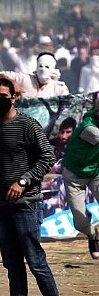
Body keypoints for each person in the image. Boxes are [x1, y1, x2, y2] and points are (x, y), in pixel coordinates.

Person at [0, 78, 59, 296]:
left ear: (14, 98)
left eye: (3, 96)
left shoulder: (27, 125)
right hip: (2, 204)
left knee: (36, 261)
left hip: (26, 203)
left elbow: (47, 156)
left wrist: (23, 181)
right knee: (12, 264)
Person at [62, 100, 99, 259]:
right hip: (74, 174)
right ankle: (92, 235)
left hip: (96, 172)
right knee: (81, 223)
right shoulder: (88, 128)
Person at [0, 52, 69, 98]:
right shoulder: (24, 79)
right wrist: (12, 83)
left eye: (47, 67)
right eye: (40, 66)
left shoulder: (58, 88)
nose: (43, 69)